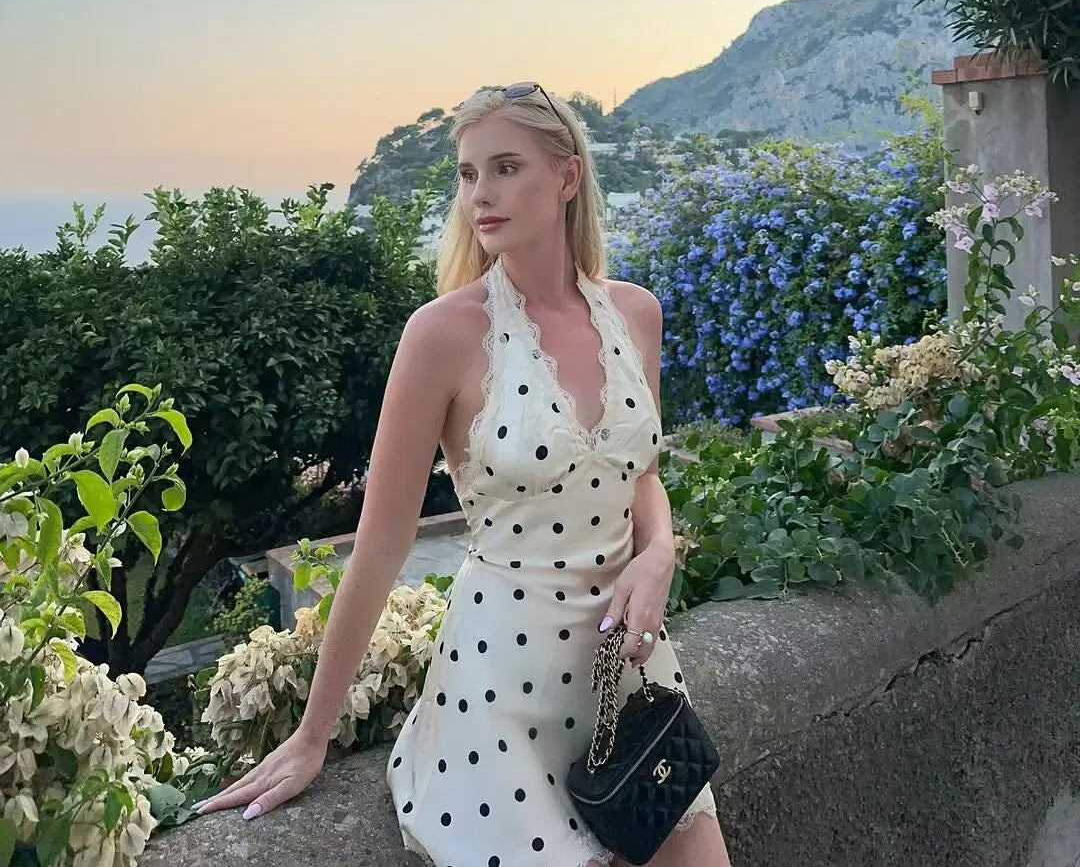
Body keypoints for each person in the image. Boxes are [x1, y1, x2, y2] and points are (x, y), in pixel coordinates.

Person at [195, 83, 731, 866]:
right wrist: (311, 735)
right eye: (467, 172)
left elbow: (638, 472)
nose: (480, 193)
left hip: (627, 677)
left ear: (568, 177)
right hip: (500, 689)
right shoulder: (442, 335)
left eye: (506, 167)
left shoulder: (635, 314)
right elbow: (379, 546)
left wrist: (659, 552)